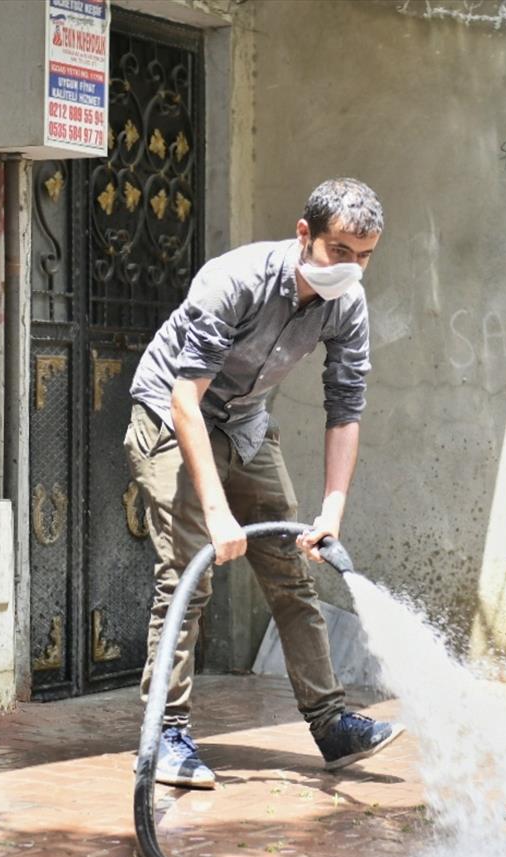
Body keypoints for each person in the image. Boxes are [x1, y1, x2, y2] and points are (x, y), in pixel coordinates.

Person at [124, 177, 403, 788]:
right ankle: (166, 735)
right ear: (305, 236)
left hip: (247, 425)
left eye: (365, 257)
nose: (352, 269)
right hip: (172, 417)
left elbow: (345, 410)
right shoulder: (235, 280)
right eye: (340, 253)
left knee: (291, 569)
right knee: (186, 579)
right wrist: (220, 514)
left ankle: (331, 724)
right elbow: (184, 399)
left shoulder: (346, 304)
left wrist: (331, 513)